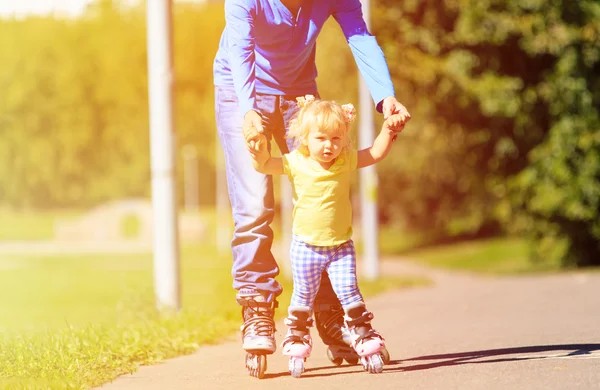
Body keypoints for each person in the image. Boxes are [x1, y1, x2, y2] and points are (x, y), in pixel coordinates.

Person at [213, 0, 411, 376]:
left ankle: (331, 315)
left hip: (299, 95)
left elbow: (359, 36)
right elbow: (239, 47)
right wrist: (248, 110)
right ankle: (257, 308)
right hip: (238, 89)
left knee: (323, 190)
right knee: (254, 204)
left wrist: (385, 97)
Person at [243, 95, 406, 377]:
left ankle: (364, 337)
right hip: (305, 247)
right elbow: (264, 165)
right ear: (305, 138)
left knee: (350, 293)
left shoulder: (346, 160)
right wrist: (257, 150)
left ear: (344, 139)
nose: (329, 145)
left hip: (341, 247)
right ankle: (296, 340)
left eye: (336, 138)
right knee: (303, 297)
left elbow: (377, 153)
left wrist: (388, 131)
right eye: (321, 138)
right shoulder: (296, 162)